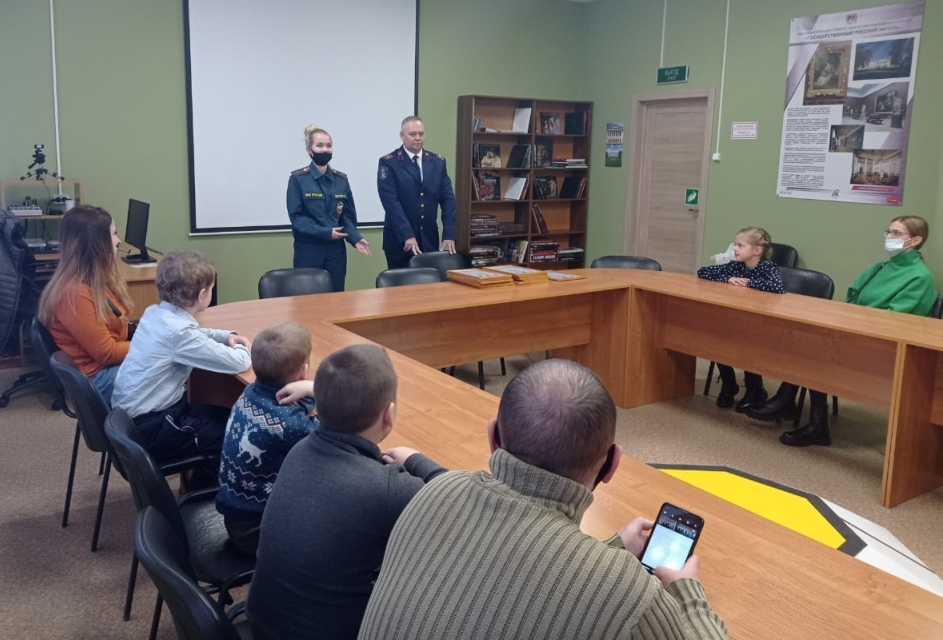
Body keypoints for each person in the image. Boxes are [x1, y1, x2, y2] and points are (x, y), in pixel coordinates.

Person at [357, 359, 727, 640]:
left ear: (492, 438)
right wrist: (687, 591)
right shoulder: (628, 593)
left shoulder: (434, 492)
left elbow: (513, 583)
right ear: (612, 465)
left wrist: (611, 550)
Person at [246, 344, 446, 640]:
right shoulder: (387, 489)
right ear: (388, 415)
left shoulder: (300, 449)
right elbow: (460, 498)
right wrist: (416, 460)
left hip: (264, 624)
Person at [749, 216, 936, 447]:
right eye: (888, 232)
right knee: (808, 342)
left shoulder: (920, 277)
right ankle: (789, 403)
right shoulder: (880, 268)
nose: (889, 237)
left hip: (885, 346)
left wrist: (855, 323)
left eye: (896, 233)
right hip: (858, 333)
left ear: (916, 240)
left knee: (816, 351)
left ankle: (811, 421)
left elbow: (896, 320)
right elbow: (852, 299)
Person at [112, 250, 251, 470]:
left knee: (231, 413)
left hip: (137, 417)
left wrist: (225, 336)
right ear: (203, 295)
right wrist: (245, 346)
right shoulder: (179, 333)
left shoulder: (155, 313)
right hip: (153, 428)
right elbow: (240, 362)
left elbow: (193, 333)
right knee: (243, 433)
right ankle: (204, 484)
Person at [216, 322, 319, 555]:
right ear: (303, 372)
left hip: (236, 516)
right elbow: (333, 431)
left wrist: (306, 391)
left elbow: (297, 407)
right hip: (258, 531)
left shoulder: (250, 392)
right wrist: (316, 388)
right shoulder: (289, 425)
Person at [38, 205, 134, 405]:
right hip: (100, 378)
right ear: (96, 244)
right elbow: (108, 353)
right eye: (113, 234)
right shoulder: (74, 294)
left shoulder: (94, 281)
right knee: (176, 372)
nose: (118, 241)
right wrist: (153, 344)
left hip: (108, 369)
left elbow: (120, 326)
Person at [697, 226, 785, 411]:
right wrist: (728, 278)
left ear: (756, 250)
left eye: (740, 245)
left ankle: (755, 390)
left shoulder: (768, 267)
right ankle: (729, 384)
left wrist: (749, 283)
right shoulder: (737, 265)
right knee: (717, 339)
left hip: (761, 323)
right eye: (735, 244)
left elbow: (776, 286)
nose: (735, 249)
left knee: (747, 345)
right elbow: (703, 271)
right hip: (738, 319)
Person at [287, 125, 371, 293]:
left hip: (335, 251)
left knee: (336, 295)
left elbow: (346, 216)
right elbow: (297, 219)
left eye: (328, 145)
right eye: (319, 145)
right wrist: (326, 232)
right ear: (309, 149)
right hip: (309, 249)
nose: (325, 150)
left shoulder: (341, 180)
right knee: (308, 297)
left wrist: (355, 238)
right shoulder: (298, 179)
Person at [377, 115, 457, 269]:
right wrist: (407, 235)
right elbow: (391, 203)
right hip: (399, 241)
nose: (418, 138)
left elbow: (448, 199)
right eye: (412, 134)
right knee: (401, 283)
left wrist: (449, 233)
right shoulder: (389, 163)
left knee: (430, 282)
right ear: (402, 135)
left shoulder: (437, 162)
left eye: (421, 133)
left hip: (429, 239)